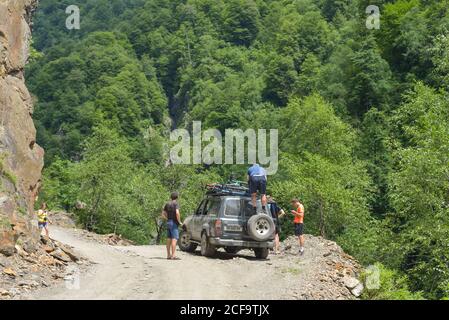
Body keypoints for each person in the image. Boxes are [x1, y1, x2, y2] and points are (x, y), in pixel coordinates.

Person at [161, 192, 183, 260]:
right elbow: (177, 213)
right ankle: (173, 256)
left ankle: (168, 255)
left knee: (168, 239)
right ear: (177, 197)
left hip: (169, 222)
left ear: (171, 197)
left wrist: (167, 219)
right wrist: (179, 221)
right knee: (174, 239)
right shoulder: (176, 204)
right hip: (174, 223)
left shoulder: (167, 204)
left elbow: (163, 214)